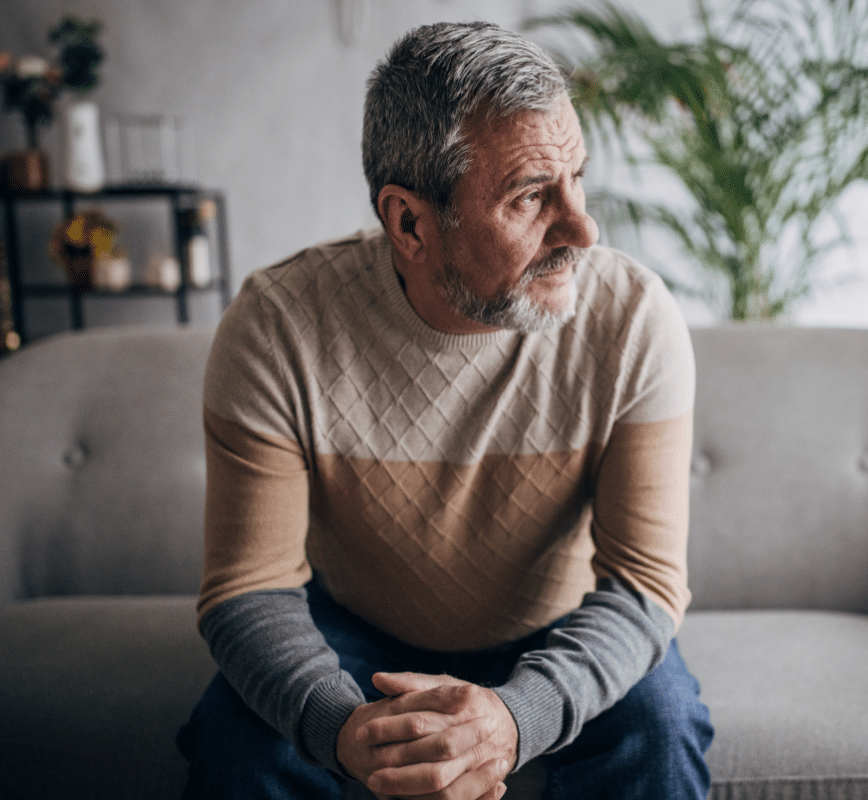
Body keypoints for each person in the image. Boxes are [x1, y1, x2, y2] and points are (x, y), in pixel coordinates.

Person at [176, 20, 712, 800]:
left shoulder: (632, 317)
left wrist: (515, 717)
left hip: (560, 630)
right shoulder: (278, 326)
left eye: (577, 180)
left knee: (661, 730)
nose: (582, 229)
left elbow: (642, 587)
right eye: (532, 196)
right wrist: (341, 729)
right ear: (411, 223)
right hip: (350, 630)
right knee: (238, 747)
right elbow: (248, 590)